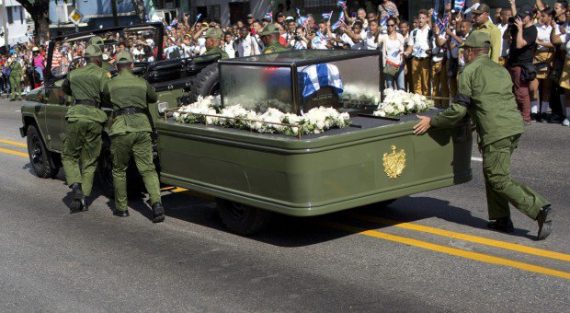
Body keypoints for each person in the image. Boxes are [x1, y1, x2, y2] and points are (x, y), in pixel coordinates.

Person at [413, 31, 553, 240]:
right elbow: (490, 100)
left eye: (464, 51)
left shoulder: (469, 71)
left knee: (498, 177)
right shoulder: (500, 69)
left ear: (469, 52)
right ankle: (501, 218)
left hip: (497, 130)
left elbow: (459, 109)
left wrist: (432, 121)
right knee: (493, 172)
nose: (463, 55)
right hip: (513, 126)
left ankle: (540, 209)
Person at [102, 51, 165, 222]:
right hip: (142, 127)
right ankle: (157, 204)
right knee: (147, 168)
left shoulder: (111, 83)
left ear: (116, 66)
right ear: (131, 65)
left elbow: (105, 99)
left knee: (119, 169)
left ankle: (122, 208)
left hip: (121, 128)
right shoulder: (141, 82)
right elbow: (153, 98)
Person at [61, 45, 111, 213]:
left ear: (85, 59)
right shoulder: (102, 74)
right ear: (98, 59)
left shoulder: (73, 73)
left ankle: (75, 185)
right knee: (90, 160)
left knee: (69, 156)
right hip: (95, 118)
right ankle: (84, 197)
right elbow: (108, 94)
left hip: (76, 116)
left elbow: (65, 88)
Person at [507, 6, 538, 124]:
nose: (521, 19)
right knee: (513, 90)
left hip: (522, 65)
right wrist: (513, 4)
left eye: (523, 17)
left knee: (522, 91)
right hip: (512, 63)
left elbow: (520, 45)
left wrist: (520, 29)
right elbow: (508, 38)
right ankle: (517, 114)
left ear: (530, 17)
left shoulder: (532, 30)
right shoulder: (520, 26)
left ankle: (526, 117)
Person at [404, 9, 432, 96]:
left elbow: (433, 45)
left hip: (425, 59)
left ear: (427, 19)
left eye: (423, 18)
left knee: (426, 82)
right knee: (416, 83)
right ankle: (419, 102)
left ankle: (427, 101)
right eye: (419, 18)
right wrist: (406, 53)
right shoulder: (414, 32)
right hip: (415, 59)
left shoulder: (430, 31)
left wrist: (430, 50)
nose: (420, 20)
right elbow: (410, 47)